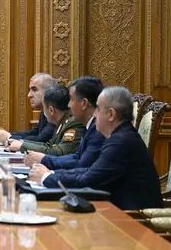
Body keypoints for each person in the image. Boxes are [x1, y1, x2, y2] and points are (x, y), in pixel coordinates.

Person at [29, 86, 163, 210]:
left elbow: (89, 180)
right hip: (117, 209)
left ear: (111, 114)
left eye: (98, 109)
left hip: (133, 218)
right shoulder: (120, 135)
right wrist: (52, 174)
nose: (94, 115)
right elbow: (90, 171)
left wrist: (46, 177)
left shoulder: (120, 142)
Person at [24, 76, 105, 169]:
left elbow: (81, 165)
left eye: (71, 99)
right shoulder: (89, 126)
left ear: (84, 103)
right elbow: (76, 157)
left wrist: (46, 170)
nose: (69, 105)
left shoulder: (96, 130)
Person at [8, 85, 85, 155]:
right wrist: (21, 143)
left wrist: (23, 146)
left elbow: (59, 152)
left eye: (44, 107)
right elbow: (49, 145)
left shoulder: (73, 124)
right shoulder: (62, 122)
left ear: (51, 110)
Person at [0, 73, 58, 144]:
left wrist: (8, 137)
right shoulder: (44, 111)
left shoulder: (55, 112)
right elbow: (34, 133)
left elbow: (40, 140)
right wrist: (7, 134)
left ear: (48, 92)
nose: (29, 95)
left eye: (34, 90)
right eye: (29, 90)